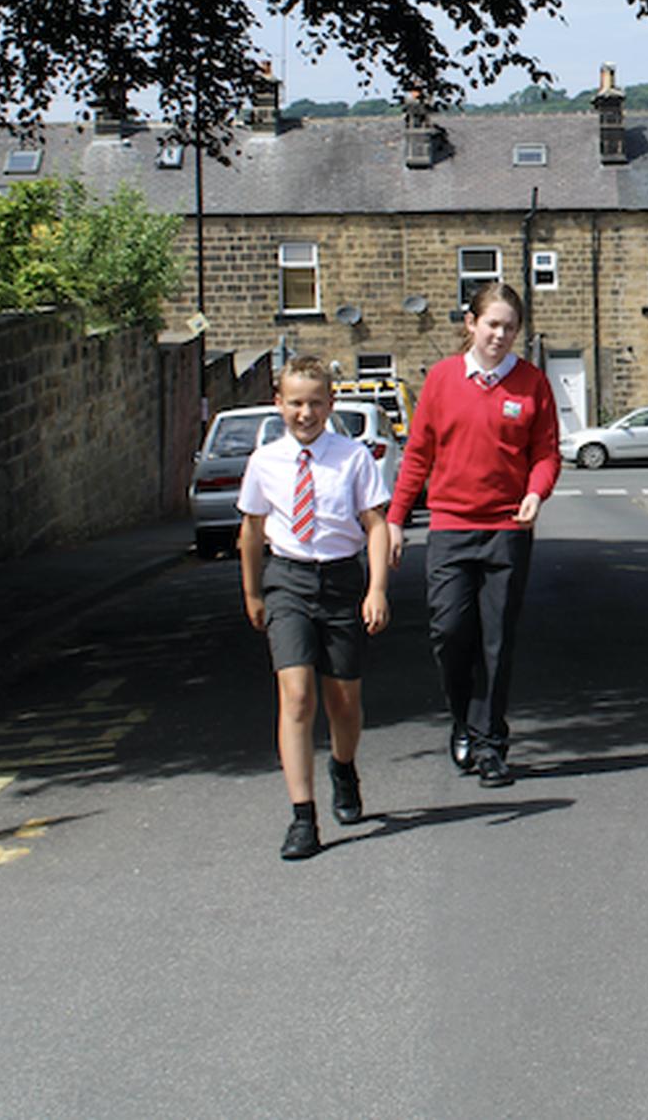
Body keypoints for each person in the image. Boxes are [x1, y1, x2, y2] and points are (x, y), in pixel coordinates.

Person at [388, 280, 560, 788]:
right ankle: (461, 719)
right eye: (492, 325)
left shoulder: (531, 384)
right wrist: (396, 518)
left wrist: (537, 491)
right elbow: (418, 453)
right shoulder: (442, 380)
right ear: (471, 324)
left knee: (497, 639)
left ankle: (490, 743)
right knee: (449, 632)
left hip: (507, 527)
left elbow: (546, 452)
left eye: (510, 327)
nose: (500, 335)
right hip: (450, 526)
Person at [236, 355, 392, 861]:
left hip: (341, 579)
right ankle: (303, 817)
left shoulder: (352, 458)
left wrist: (376, 590)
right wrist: (254, 592)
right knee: (297, 695)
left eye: (316, 403)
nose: (305, 413)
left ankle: (343, 767)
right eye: (296, 403)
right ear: (278, 404)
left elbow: (376, 526)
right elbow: (252, 532)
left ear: (331, 405)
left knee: (342, 700)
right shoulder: (264, 462)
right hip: (288, 579)